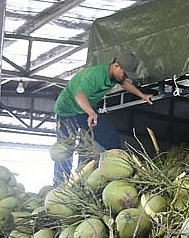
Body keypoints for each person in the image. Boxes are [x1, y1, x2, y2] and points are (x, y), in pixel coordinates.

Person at [53, 53, 154, 184]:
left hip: (85, 110)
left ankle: (115, 175)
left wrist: (142, 95)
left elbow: (125, 83)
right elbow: (79, 96)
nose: (126, 77)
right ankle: (60, 185)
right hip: (67, 111)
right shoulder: (94, 76)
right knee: (65, 151)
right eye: (125, 74)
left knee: (111, 140)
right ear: (116, 66)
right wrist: (90, 112)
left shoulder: (114, 76)